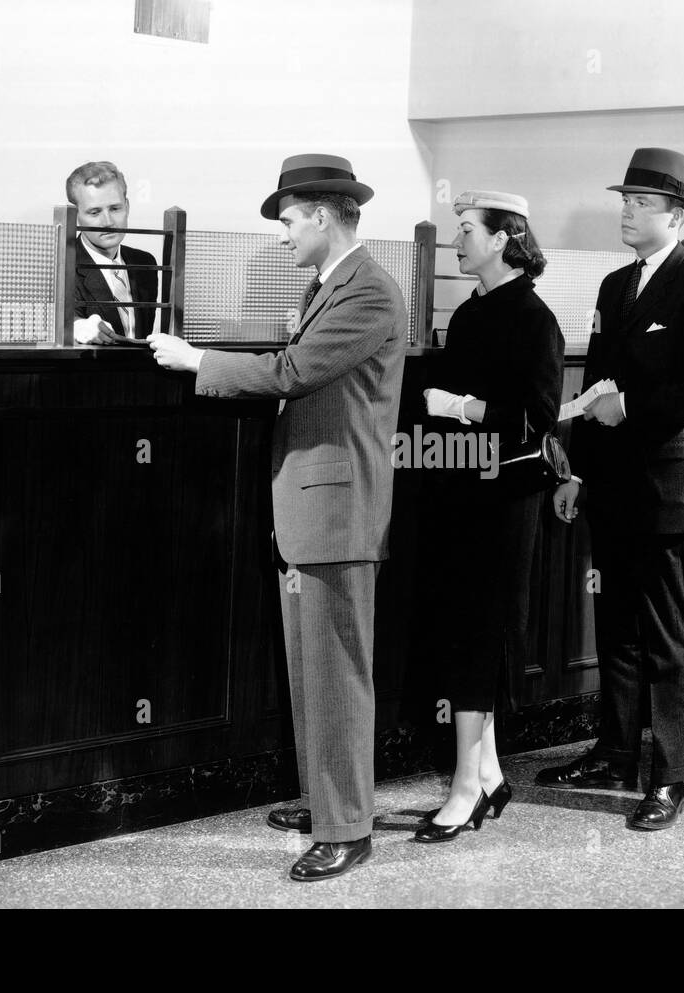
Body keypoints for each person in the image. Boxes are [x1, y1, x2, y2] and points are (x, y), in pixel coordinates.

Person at [149, 153, 407, 881]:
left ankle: (348, 827)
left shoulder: (370, 292)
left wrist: (196, 358)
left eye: (291, 221)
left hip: (338, 508)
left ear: (325, 215)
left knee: (337, 673)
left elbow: (293, 372)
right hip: (312, 506)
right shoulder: (332, 285)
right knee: (314, 671)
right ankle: (327, 802)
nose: (287, 235)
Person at [537, 148, 684, 832]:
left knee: (663, 639)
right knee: (616, 631)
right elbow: (596, 385)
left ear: (676, 215)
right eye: (624, 199)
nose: (626, 210)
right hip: (613, 488)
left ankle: (669, 774)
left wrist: (635, 406)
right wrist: (580, 474)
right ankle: (616, 752)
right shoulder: (613, 286)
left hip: (664, 492)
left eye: (641, 202)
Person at [414, 191, 564, 842]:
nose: (457, 241)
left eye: (468, 230)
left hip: (507, 497)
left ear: (505, 238)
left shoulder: (536, 319)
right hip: (461, 491)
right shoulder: (469, 315)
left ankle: (464, 786)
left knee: (484, 631)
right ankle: (490, 771)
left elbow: (538, 417)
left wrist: (462, 408)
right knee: (466, 628)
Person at [65, 160, 159, 345]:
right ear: (76, 216)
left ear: (127, 207)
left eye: (115, 209)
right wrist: (79, 328)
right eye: (94, 212)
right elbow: (60, 325)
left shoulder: (145, 263)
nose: (107, 221)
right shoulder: (62, 264)